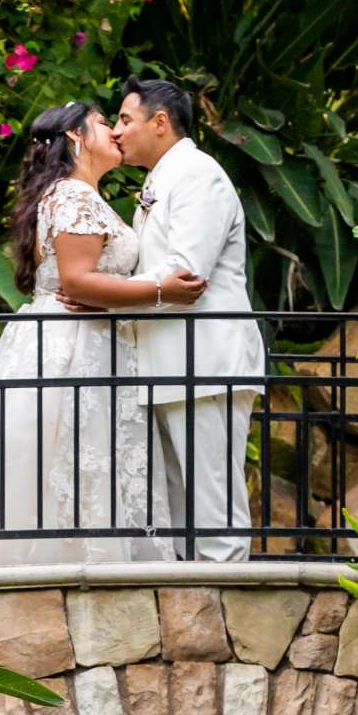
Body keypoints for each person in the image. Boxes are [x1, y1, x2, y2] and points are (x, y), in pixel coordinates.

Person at [0, 101, 207, 571]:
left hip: (89, 341)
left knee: (73, 459)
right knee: (62, 457)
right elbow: (78, 280)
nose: (116, 133)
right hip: (73, 346)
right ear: (76, 137)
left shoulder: (77, 195)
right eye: (106, 123)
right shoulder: (73, 197)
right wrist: (161, 290)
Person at [114, 77, 266, 562]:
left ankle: (226, 606)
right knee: (182, 501)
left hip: (206, 363)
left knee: (212, 498)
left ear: (160, 123)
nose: (117, 132)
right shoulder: (163, 177)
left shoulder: (199, 175)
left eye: (125, 119)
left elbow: (187, 271)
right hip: (170, 363)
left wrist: (109, 299)